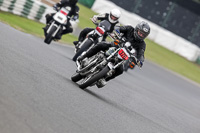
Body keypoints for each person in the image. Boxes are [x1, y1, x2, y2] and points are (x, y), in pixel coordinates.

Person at [77, 21, 150, 87]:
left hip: (122, 57)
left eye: (143, 35)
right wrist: (117, 31)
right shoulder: (129, 29)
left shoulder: (142, 44)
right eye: (140, 32)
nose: (141, 35)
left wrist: (140, 61)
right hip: (116, 45)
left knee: (120, 70)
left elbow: (141, 53)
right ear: (137, 29)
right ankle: (84, 57)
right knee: (101, 45)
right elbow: (119, 28)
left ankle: (104, 79)